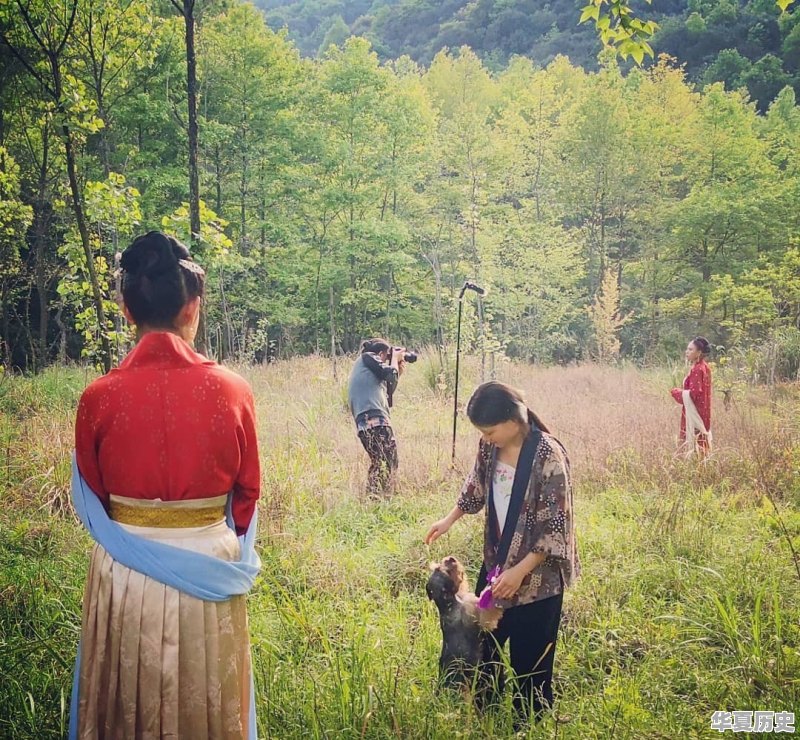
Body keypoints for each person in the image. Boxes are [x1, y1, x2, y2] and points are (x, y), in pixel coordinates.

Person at [71, 231, 261, 738]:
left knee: (128, 702)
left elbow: (91, 496)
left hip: (125, 574)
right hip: (209, 570)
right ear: (192, 307)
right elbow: (247, 493)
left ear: (127, 312)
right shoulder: (233, 391)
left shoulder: (98, 397)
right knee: (206, 703)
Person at [425, 381, 579, 727]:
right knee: (485, 651)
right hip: (496, 568)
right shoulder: (489, 448)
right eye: (483, 432)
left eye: (491, 430)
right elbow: (475, 484)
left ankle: (528, 726)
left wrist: (520, 571)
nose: (487, 437)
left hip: (537, 580)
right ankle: (487, 719)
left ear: (514, 419)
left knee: (532, 665)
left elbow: (557, 526)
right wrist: (449, 519)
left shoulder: (548, 457)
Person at [347, 338, 406, 497]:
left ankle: (373, 499)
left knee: (381, 462)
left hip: (367, 421)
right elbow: (388, 373)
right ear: (381, 354)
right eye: (386, 357)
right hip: (374, 419)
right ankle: (381, 499)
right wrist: (394, 359)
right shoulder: (369, 357)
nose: (387, 361)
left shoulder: (366, 367)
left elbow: (387, 392)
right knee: (388, 462)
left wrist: (397, 371)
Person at [671, 336, 712, 457]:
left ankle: (695, 469)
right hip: (703, 411)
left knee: (695, 442)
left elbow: (694, 394)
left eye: (690, 349)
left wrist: (677, 392)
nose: (687, 352)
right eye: (687, 349)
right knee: (701, 441)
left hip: (695, 411)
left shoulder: (698, 369)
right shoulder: (704, 366)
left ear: (699, 352)